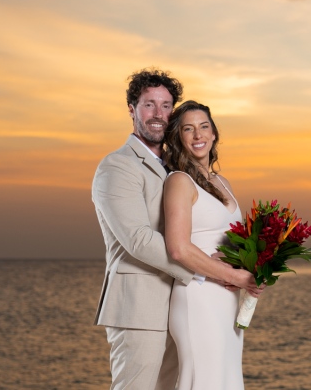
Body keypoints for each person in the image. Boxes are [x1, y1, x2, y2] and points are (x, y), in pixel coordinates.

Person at [92, 69, 260, 390]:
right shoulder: (117, 166)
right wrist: (210, 272)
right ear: (131, 108)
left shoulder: (178, 168)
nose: (159, 114)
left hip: (184, 301)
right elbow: (138, 240)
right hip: (141, 306)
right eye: (149, 105)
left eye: (166, 106)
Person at [162, 100, 262, 390]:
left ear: (214, 133)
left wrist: (255, 273)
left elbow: (232, 241)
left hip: (226, 299)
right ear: (177, 137)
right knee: (204, 381)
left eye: (204, 126)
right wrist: (234, 276)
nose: (198, 135)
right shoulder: (179, 182)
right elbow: (178, 249)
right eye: (188, 129)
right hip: (199, 295)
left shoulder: (223, 182)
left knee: (225, 381)